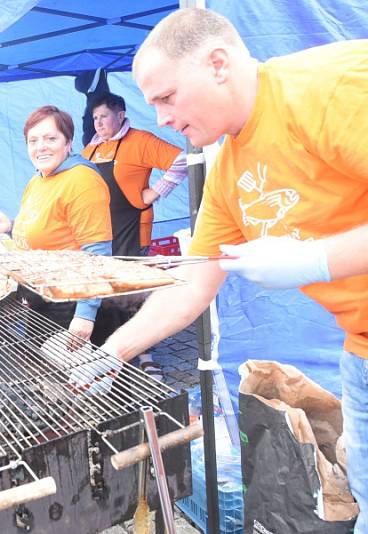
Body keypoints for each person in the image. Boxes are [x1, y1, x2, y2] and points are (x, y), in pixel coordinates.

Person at [102, 8, 368, 531]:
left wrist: (315, 260)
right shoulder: (226, 170)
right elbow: (192, 286)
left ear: (218, 64)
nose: (160, 118)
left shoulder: (329, 88)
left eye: (165, 97)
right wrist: (111, 353)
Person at [0, 105, 112, 345]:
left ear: (68, 142)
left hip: (71, 305)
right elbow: (49, 229)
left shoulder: (82, 181)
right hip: (41, 299)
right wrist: (10, 226)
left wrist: (85, 315)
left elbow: (97, 256)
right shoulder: (39, 179)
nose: (40, 146)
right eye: (33, 141)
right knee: (42, 373)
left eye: (50, 138)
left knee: (70, 380)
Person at [80, 92, 188, 377]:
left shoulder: (140, 141)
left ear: (120, 114)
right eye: (95, 118)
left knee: (133, 294)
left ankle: (146, 352)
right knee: (107, 291)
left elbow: (183, 160)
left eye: (104, 116)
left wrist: (154, 193)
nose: (99, 123)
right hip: (100, 232)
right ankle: (114, 349)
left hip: (132, 229)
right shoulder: (91, 150)